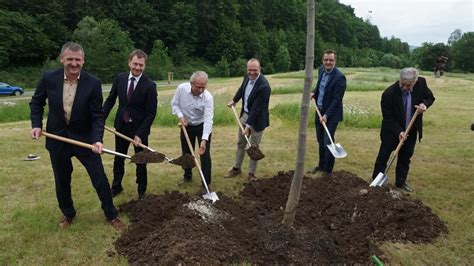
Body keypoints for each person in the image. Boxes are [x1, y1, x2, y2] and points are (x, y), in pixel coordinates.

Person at [30, 42, 124, 230]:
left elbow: (97, 115)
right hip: (58, 138)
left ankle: (111, 214)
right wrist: (36, 125)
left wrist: (97, 139)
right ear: (62, 59)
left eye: (78, 60)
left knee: (99, 178)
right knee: (62, 179)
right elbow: (36, 102)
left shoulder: (93, 83)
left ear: (83, 61)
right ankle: (68, 213)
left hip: (85, 138)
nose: (74, 63)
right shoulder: (49, 78)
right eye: (70, 59)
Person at [103, 49, 157, 200]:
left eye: (141, 65)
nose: (137, 68)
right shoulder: (120, 79)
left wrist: (140, 134)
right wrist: (100, 119)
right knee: (118, 158)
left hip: (139, 130)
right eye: (135, 64)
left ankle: (141, 191)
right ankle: (116, 187)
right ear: (129, 63)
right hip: (121, 126)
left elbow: (150, 114)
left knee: (141, 160)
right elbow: (110, 100)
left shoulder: (150, 86)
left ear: (144, 66)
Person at [371, 67, 435, 192]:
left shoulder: (421, 83)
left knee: (406, 156)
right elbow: (388, 118)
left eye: (409, 85)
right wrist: (399, 131)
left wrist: (424, 105)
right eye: (403, 84)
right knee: (384, 156)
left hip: (411, 128)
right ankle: (376, 180)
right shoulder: (389, 94)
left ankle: (401, 182)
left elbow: (430, 97)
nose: (405, 87)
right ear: (399, 80)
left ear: (415, 82)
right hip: (391, 131)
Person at [225, 58, 271, 181]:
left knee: (253, 147)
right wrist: (234, 100)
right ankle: (236, 169)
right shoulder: (247, 77)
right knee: (241, 143)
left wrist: (248, 126)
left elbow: (256, 109)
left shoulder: (264, 86)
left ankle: (251, 174)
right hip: (245, 115)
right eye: (249, 70)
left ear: (259, 69)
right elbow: (242, 89)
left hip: (257, 119)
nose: (251, 73)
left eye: (254, 70)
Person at [171, 71, 214, 191]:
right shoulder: (181, 89)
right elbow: (174, 104)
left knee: (204, 154)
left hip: (202, 126)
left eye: (203, 87)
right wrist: (181, 116)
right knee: (186, 153)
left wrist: (204, 139)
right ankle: (187, 176)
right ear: (191, 84)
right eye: (198, 87)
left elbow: (208, 120)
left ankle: (206, 183)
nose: (201, 90)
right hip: (187, 126)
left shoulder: (208, 98)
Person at [308, 49, 346, 176]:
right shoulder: (321, 70)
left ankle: (328, 171)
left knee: (328, 142)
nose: (328, 62)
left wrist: (326, 115)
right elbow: (320, 86)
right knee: (320, 140)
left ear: (335, 61)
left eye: (331, 60)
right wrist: (314, 92)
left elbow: (336, 100)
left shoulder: (340, 78)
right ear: (323, 60)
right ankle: (321, 165)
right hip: (319, 110)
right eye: (326, 60)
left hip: (332, 114)